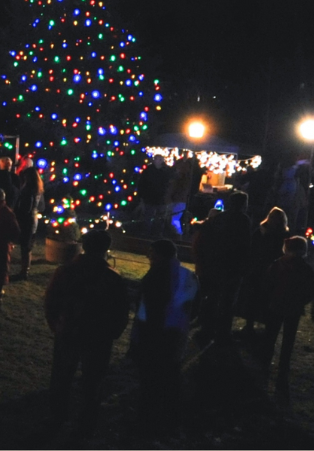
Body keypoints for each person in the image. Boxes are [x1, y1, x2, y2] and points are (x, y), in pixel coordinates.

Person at [43, 230, 129, 437]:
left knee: (62, 377)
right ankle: (86, 424)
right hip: (98, 337)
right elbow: (121, 310)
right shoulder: (111, 277)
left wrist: (57, 324)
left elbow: (51, 300)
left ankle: (57, 417)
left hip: (70, 331)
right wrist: (113, 332)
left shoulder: (66, 271)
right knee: (92, 382)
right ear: (105, 249)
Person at [134, 239, 197, 434]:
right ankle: (171, 418)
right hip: (176, 334)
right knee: (171, 375)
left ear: (161, 255)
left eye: (152, 253)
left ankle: (148, 420)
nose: (148, 256)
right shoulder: (189, 276)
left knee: (151, 378)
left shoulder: (155, 276)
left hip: (154, 334)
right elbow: (195, 309)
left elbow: (146, 308)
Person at [261, 236, 314, 407]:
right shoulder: (306, 269)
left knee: (270, 336)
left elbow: (267, 283)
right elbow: (310, 290)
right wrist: (301, 302)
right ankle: (282, 371)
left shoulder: (278, 264)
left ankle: (265, 364)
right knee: (288, 341)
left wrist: (270, 298)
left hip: (276, 305)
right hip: (293, 308)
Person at [193, 190, 252, 346]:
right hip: (231, 266)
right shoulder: (243, 220)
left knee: (212, 298)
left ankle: (207, 329)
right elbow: (244, 246)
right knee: (227, 301)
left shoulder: (219, 218)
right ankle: (222, 332)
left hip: (215, 264)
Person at [237, 207, 289, 337]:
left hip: (261, 269)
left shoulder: (263, 232)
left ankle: (251, 325)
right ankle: (258, 326)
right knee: (260, 298)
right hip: (265, 269)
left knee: (256, 298)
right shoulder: (281, 234)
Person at [13, 166, 45, 279]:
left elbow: (25, 207)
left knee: (25, 246)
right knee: (27, 246)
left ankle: (24, 272)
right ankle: (25, 270)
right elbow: (41, 207)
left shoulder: (28, 190)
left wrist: (17, 213)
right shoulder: (38, 189)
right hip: (33, 218)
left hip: (27, 220)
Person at [138, 155, 173, 237]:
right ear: (154, 160)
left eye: (161, 159)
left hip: (161, 199)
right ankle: (146, 234)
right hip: (149, 198)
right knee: (148, 217)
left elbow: (168, 184)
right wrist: (142, 197)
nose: (160, 161)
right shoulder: (148, 170)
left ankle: (157, 234)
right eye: (158, 159)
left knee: (159, 218)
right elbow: (142, 184)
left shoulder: (165, 171)